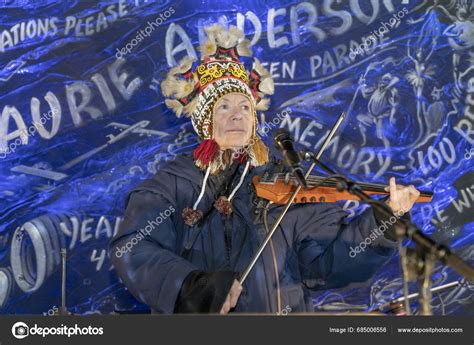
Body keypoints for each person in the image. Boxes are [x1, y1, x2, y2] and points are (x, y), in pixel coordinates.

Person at [109, 24, 420, 314]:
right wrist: (194, 287)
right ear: (205, 121)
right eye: (224, 107)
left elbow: (331, 264)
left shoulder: (289, 178)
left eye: (245, 107)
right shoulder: (173, 183)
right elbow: (133, 250)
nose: (237, 116)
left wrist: (383, 222)